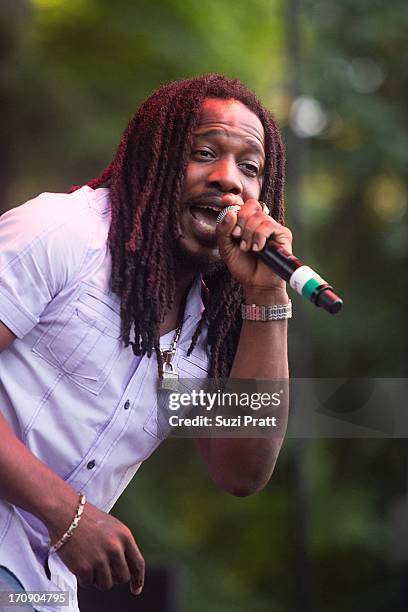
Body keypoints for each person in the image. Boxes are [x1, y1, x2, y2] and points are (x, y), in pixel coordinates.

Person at [0, 74, 292, 612]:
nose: (229, 181)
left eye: (250, 168)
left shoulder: (208, 325)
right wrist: (68, 513)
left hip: (38, 591)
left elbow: (242, 470)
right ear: (152, 160)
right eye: (204, 153)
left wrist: (268, 295)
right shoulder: (64, 233)